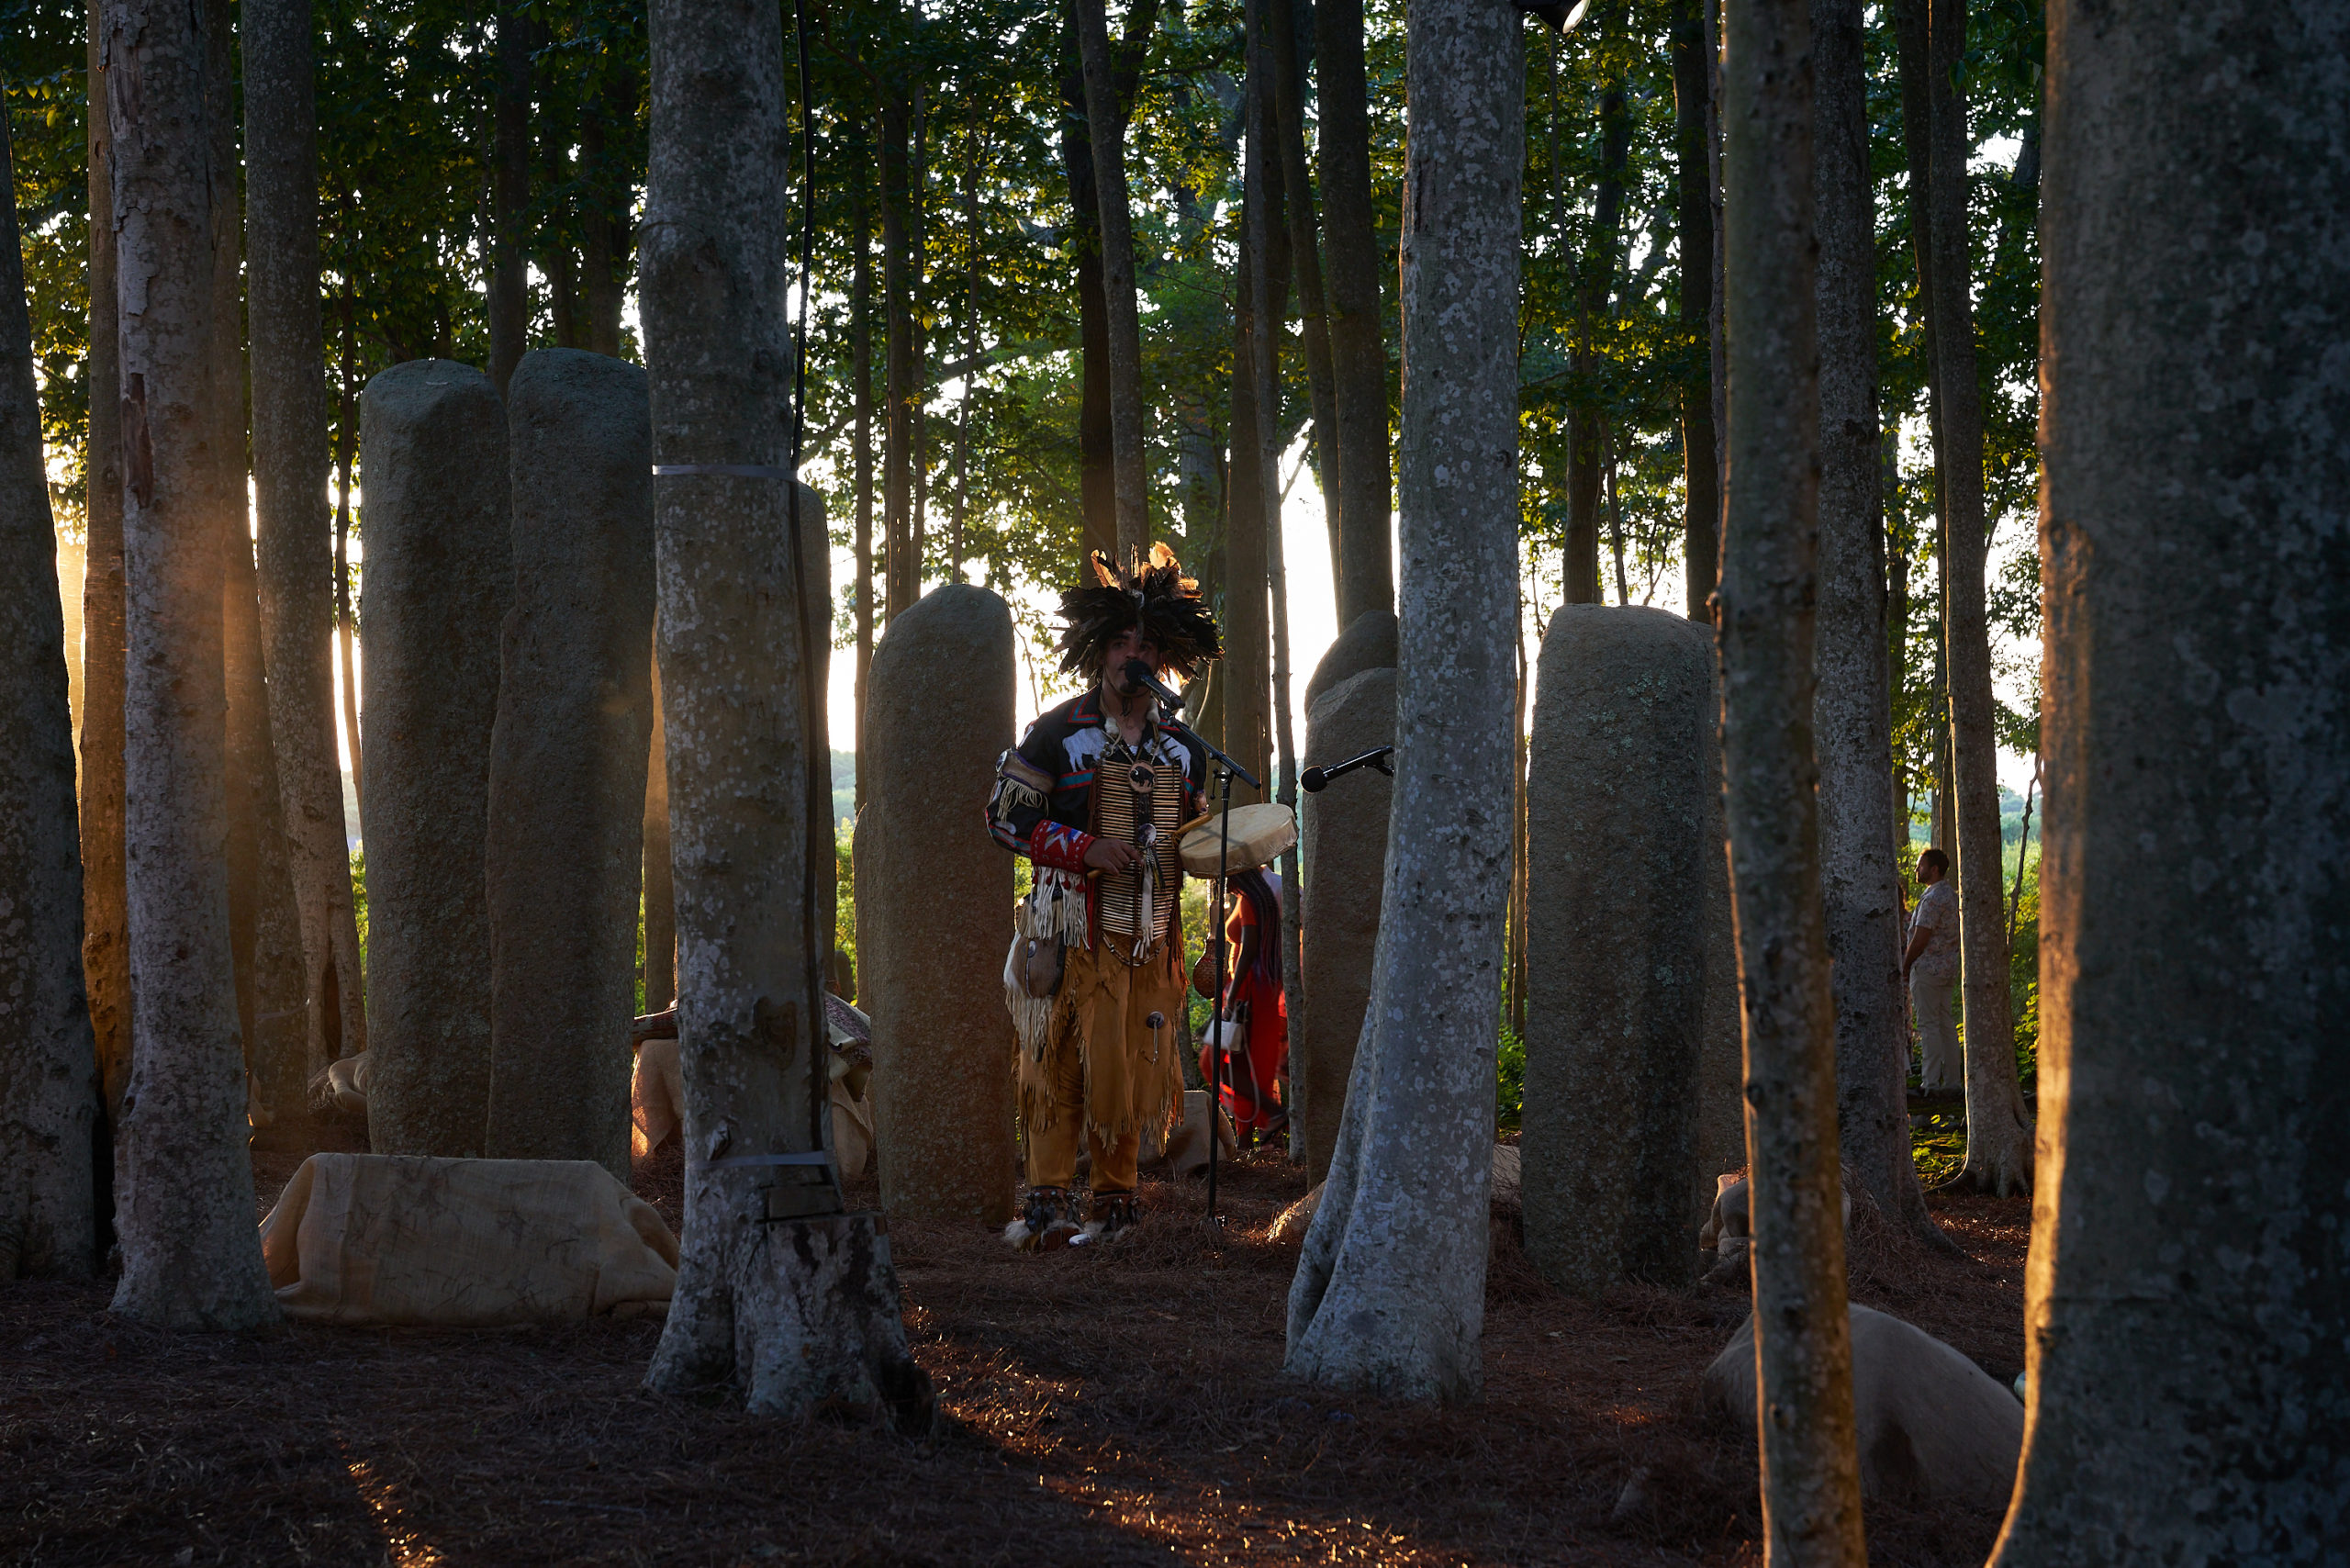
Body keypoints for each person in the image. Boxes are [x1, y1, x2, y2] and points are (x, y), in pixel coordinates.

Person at [984, 545, 1223, 1249]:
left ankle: (1114, 1209)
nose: (1131, 655)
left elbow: (1196, 832)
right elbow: (1004, 816)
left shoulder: (1185, 748)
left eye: (1145, 644)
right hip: (1069, 927)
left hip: (1148, 932)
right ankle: (1047, 1209)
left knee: (1136, 1065)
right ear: (1098, 649)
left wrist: (1218, 848)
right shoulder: (1058, 732)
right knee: (1058, 1064)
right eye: (1120, 642)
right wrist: (1083, 847)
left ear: (1166, 656)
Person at [1193, 870, 1289, 1147]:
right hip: (1262, 988)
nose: (1225, 884)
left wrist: (1231, 995)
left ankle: (1275, 1114)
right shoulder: (1262, 898)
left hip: (1248, 992)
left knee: (1213, 1062)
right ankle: (1250, 1139)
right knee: (1241, 1066)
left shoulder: (1250, 901)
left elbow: (1248, 949)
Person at [1902, 846, 1963, 1094]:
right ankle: (1951, 1082)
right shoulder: (1950, 895)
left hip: (1928, 969)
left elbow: (1921, 937)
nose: (1917, 869)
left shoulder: (1933, 898)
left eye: (1921, 865)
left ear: (1934, 869)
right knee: (1945, 1023)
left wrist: (1905, 966)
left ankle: (1930, 1083)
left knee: (1928, 1025)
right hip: (1947, 968)